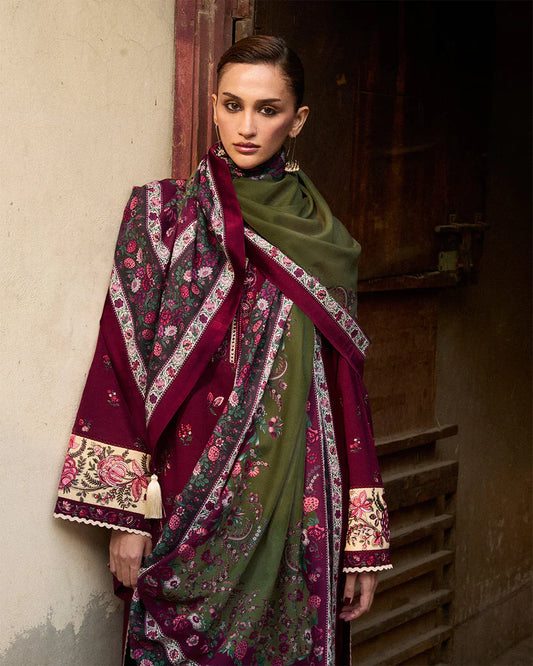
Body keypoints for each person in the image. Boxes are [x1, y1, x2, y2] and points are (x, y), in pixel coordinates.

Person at [54, 35, 391, 665]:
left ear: (299, 119)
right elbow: (121, 362)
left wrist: (361, 543)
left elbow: (346, 393)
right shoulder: (163, 216)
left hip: (298, 507)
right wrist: (128, 517)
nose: (246, 126)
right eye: (232, 105)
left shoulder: (326, 242)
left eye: (268, 109)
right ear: (212, 105)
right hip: (190, 497)